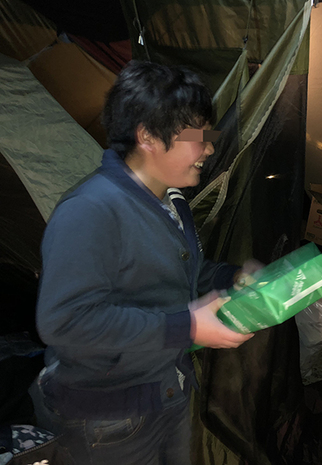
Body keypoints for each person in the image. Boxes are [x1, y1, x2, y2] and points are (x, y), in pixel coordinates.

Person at [31, 61, 254, 465]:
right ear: (148, 136)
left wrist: (231, 276)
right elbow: (64, 321)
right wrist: (185, 326)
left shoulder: (171, 200)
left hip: (168, 392)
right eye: (197, 137)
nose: (209, 148)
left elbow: (181, 273)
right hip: (108, 419)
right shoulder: (91, 210)